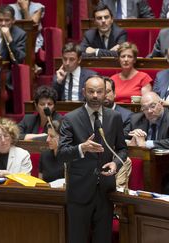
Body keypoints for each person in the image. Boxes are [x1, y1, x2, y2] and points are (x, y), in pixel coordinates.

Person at [57, 75, 128, 243]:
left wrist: (115, 163)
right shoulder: (70, 118)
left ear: (106, 93)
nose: (95, 96)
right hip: (79, 192)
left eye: (99, 91)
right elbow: (62, 153)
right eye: (91, 92)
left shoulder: (114, 117)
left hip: (105, 191)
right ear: (84, 92)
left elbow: (122, 149)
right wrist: (82, 147)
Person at [124, 91, 169, 196]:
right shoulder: (136, 119)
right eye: (145, 108)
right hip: (143, 169)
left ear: (161, 104)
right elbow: (120, 138)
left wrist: (145, 144)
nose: (149, 111)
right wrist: (130, 142)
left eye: (152, 106)